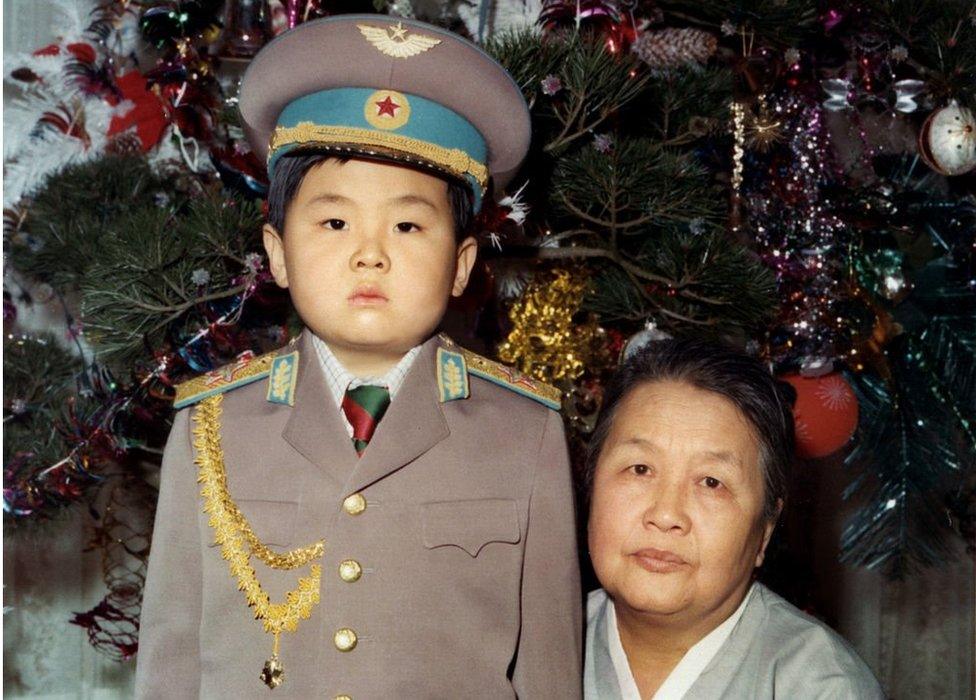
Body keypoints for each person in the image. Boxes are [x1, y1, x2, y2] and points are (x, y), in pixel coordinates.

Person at [135, 15, 582, 698]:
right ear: (278, 253)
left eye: (408, 225)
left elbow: (550, 673)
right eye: (334, 222)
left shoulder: (523, 432)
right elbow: (170, 665)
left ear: (462, 265)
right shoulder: (211, 428)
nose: (370, 252)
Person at [583, 338, 884, 699]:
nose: (665, 515)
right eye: (640, 469)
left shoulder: (822, 686)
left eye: (712, 482)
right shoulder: (532, 640)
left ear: (765, 532)